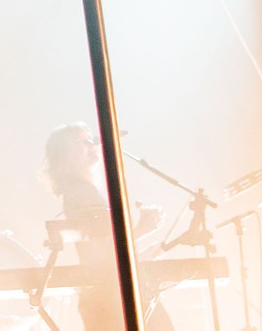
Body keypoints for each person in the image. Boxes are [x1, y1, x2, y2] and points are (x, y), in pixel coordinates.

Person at [42, 122, 175, 331]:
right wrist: (141, 229)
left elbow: (105, 252)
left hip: (110, 294)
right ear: (65, 154)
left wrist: (144, 251)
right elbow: (104, 253)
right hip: (111, 298)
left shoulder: (82, 191)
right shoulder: (80, 192)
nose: (92, 144)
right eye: (82, 141)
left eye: (91, 139)